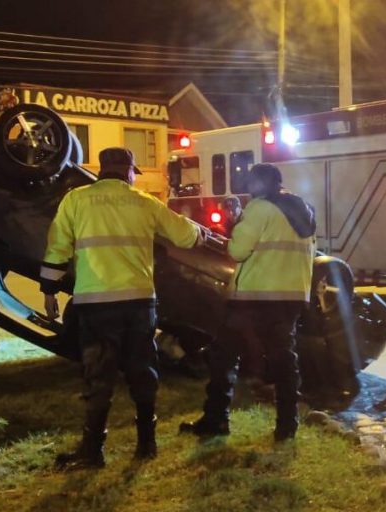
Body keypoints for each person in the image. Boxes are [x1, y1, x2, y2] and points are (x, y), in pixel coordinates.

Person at [40, 147, 204, 470]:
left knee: (98, 375)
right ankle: (146, 443)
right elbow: (185, 235)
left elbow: (57, 246)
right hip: (139, 304)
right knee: (143, 371)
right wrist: (202, 232)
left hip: (96, 304)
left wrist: (48, 289)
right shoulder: (144, 202)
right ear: (129, 171)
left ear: (102, 169)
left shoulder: (76, 200)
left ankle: (93, 450)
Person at [180, 163, 316, 442]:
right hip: (291, 297)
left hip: (255, 298)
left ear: (258, 185)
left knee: (223, 357)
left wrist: (234, 226)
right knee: (283, 362)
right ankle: (287, 426)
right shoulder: (304, 211)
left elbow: (237, 250)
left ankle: (216, 420)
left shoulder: (260, 209)